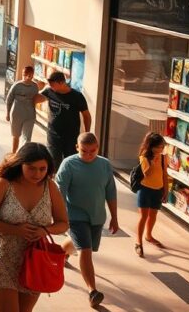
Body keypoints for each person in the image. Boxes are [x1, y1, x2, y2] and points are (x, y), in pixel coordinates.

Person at [0, 142, 69, 312]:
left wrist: (45, 230)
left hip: (35, 261)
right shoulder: (5, 184)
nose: (37, 174)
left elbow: (63, 224)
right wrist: (15, 230)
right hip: (3, 259)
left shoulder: (50, 187)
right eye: (31, 168)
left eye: (42, 169)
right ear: (20, 164)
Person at [55, 132, 118, 308]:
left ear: (98, 148)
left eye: (93, 151)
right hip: (75, 216)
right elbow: (59, 192)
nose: (89, 155)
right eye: (84, 151)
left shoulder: (104, 164)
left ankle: (61, 254)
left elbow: (111, 192)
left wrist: (114, 217)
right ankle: (93, 291)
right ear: (77, 148)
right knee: (86, 250)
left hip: (97, 216)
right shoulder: (69, 164)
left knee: (81, 245)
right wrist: (59, 216)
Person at [39, 71, 91, 170]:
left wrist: (86, 133)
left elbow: (86, 115)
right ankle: (54, 183)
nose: (50, 87)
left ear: (62, 83)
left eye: (52, 85)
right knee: (53, 163)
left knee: (70, 163)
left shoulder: (77, 96)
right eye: (49, 84)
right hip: (53, 135)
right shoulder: (49, 91)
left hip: (71, 136)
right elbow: (35, 99)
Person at [135, 132, 169, 257]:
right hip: (145, 190)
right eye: (158, 147)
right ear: (150, 146)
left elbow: (164, 174)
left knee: (153, 215)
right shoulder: (144, 157)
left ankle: (149, 235)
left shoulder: (163, 157)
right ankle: (138, 241)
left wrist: (166, 190)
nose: (160, 149)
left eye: (162, 147)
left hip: (158, 190)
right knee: (143, 216)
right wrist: (153, 161)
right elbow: (147, 173)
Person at [5, 66, 44, 153]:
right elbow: (9, 100)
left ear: (32, 75)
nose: (26, 77)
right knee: (16, 136)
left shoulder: (34, 86)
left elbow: (36, 99)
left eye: (29, 75)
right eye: (24, 75)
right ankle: (14, 153)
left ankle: (23, 155)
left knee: (27, 137)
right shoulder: (16, 85)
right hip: (16, 114)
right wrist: (7, 113)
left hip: (29, 115)